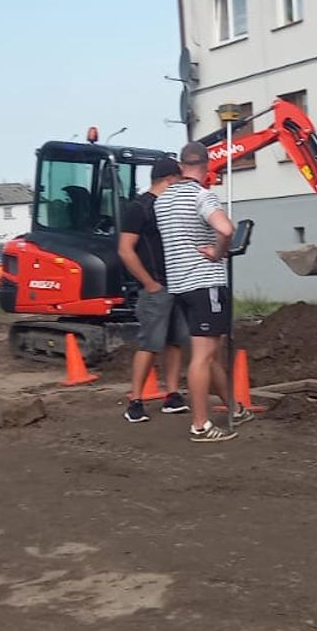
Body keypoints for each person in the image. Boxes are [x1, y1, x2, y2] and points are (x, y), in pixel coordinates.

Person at [156, 142, 250, 442]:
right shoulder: (202, 196)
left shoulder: (162, 201)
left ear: (181, 166)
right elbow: (226, 229)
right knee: (203, 356)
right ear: (207, 165)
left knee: (210, 356)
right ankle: (200, 425)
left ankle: (234, 408)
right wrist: (218, 252)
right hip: (205, 282)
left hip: (180, 285)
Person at [116, 157, 191, 423]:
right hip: (155, 288)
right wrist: (149, 283)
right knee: (150, 344)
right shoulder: (139, 208)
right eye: (179, 181)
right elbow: (125, 249)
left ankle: (172, 395)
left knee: (174, 341)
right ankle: (135, 401)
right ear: (170, 179)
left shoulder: (168, 208)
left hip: (176, 284)